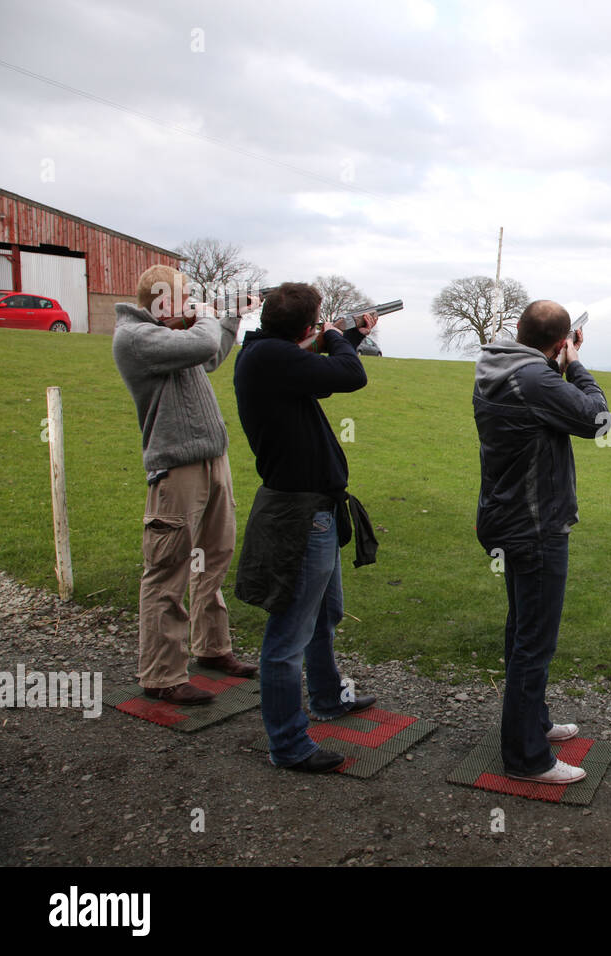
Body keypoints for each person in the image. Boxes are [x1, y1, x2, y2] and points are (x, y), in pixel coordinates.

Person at [232, 282, 380, 773]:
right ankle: (288, 744)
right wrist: (338, 336)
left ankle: (328, 698)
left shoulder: (269, 355)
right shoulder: (271, 358)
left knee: (325, 615)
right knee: (286, 639)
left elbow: (322, 375)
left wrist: (347, 334)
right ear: (306, 326)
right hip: (300, 517)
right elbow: (349, 376)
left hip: (316, 510)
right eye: (317, 321)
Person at [473, 300, 608, 784]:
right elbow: (598, 420)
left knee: (522, 629)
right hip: (533, 526)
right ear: (556, 343)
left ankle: (535, 723)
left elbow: (541, 399)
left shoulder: (500, 365)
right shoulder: (537, 379)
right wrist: (575, 365)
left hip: (505, 518)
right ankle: (526, 758)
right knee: (535, 640)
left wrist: (556, 358)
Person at [112, 265, 258, 704]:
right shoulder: (135, 337)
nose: (190, 304)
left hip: (212, 460)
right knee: (168, 568)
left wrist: (231, 317)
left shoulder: (174, 335)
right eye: (184, 298)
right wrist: (209, 314)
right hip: (176, 469)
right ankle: (161, 674)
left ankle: (212, 649)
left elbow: (210, 355)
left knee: (211, 560)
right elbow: (202, 342)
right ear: (162, 301)